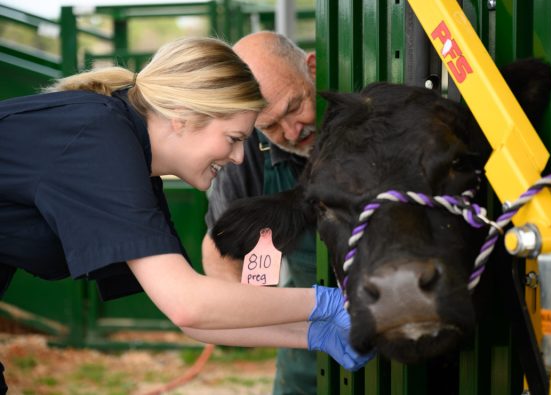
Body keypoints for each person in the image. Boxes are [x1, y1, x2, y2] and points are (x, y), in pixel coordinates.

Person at [0, 36, 372, 393]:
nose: (240, 158)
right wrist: (328, 303)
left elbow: (195, 318)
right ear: (182, 117)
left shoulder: (128, 155)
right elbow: (189, 306)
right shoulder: (100, 141)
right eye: (233, 138)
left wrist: (313, 334)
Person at [201, 31, 320, 394]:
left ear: (312, 69)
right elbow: (222, 247)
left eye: (294, 107)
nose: (291, 131)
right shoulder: (247, 150)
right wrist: (253, 310)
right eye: (269, 126)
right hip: (309, 344)